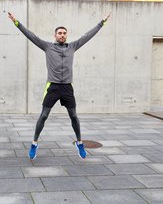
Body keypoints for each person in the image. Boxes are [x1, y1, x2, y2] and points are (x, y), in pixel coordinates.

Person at [8, 12, 111, 159]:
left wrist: (102, 23)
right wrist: (17, 23)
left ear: (66, 35)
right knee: (43, 115)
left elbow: (88, 36)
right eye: (59, 33)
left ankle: (79, 142)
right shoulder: (47, 47)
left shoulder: (73, 46)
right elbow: (31, 36)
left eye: (64, 33)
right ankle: (34, 143)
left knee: (74, 116)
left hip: (67, 87)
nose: (62, 35)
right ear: (55, 35)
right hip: (53, 87)